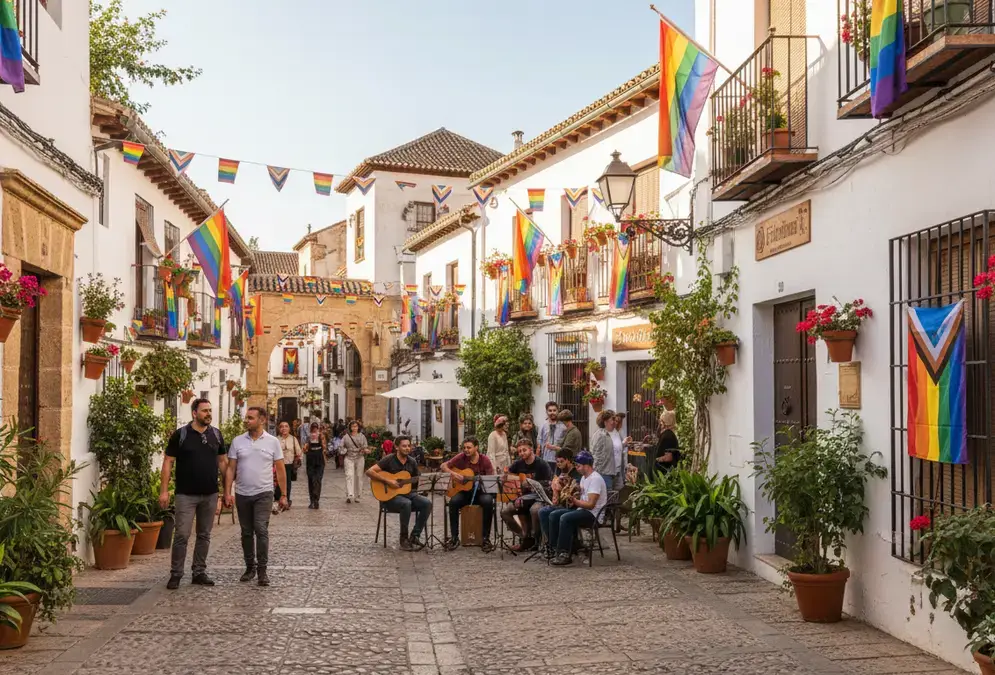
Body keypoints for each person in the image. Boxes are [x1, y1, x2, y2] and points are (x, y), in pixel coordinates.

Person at [160, 399, 228, 590]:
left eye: (210, 410)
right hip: (185, 495)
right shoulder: (181, 435)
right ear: (194, 413)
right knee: (182, 534)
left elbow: (223, 462)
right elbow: (168, 462)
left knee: (204, 535)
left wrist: (227, 491)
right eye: (204, 410)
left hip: (210, 494)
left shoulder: (216, 435)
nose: (209, 413)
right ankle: (176, 573)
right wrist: (164, 491)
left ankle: (199, 572)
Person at [224, 407, 287, 587]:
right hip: (242, 493)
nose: (247, 420)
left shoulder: (272, 442)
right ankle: (250, 567)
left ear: (262, 420)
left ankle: (262, 570)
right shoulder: (237, 441)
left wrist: (283, 495)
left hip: (264, 493)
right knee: (246, 532)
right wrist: (227, 492)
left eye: (251, 418)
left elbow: (280, 469)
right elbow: (231, 468)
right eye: (247, 417)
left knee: (261, 529)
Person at [540, 451, 607, 566]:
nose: (576, 468)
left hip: (593, 514)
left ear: (586, 466)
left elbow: (591, 504)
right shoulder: (584, 478)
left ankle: (565, 553)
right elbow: (582, 496)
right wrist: (572, 494)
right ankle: (554, 548)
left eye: (578, 465)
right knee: (553, 515)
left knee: (565, 518)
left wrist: (575, 501)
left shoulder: (595, 479)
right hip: (583, 510)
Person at [366, 435, 432, 551]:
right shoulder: (389, 459)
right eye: (404, 446)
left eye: (409, 446)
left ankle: (415, 536)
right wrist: (388, 481)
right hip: (390, 498)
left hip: (408, 494)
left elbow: (417, 480)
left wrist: (426, 484)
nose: (407, 448)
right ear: (396, 447)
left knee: (427, 503)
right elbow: (369, 471)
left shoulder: (412, 462)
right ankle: (403, 539)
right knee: (406, 503)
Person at [441, 436, 496, 552]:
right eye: (464, 447)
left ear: (476, 447)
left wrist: (480, 481)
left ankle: (485, 538)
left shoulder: (484, 460)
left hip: (481, 492)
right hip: (465, 492)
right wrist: (453, 474)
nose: (466, 450)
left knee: (488, 502)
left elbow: (490, 480)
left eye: (469, 447)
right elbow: (443, 466)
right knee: (453, 502)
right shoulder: (461, 457)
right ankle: (454, 538)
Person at [499, 438, 552, 552]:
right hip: (522, 497)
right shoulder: (518, 464)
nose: (522, 453)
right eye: (519, 451)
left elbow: (548, 485)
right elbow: (509, 476)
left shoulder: (542, 464)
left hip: (538, 498)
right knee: (505, 512)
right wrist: (505, 477)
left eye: (524, 450)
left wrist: (531, 484)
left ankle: (536, 540)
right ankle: (524, 537)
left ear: (531, 449)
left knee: (535, 510)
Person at [341, 420, 368, 503]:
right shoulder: (346, 437)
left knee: (359, 476)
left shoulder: (362, 436)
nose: (354, 428)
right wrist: (344, 450)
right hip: (349, 457)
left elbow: (365, 446)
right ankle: (350, 494)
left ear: (358, 427)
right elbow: (341, 447)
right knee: (349, 475)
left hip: (359, 458)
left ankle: (358, 495)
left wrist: (365, 450)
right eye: (353, 426)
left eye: (356, 426)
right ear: (350, 427)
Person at [276, 421, 302, 509]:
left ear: (289, 429)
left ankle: (286, 501)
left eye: (286, 426)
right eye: (281, 426)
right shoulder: (275, 440)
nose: (284, 428)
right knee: (277, 484)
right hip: (278, 465)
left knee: (287, 484)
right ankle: (278, 500)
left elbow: (298, 452)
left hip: (289, 464)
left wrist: (298, 459)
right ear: (279, 429)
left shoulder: (293, 439)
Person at [649, 410, 682, 477]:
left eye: (661, 421)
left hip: (663, 474)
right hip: (664, 472)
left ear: (665, 422)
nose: (660, 423)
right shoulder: (668, 434)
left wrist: (656, 460)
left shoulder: (668, 436)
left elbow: (669, 457)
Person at [305, 425, 327, 508]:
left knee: (318, 479)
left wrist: (321, 438)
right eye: (313, 429)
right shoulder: (308, 437)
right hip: (310, 459)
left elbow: (325, 448)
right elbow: (305, 449)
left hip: (319, 459)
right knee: (311, 480)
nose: (314, 430)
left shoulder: (321, 436)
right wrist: (306, 446)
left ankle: (316, 499)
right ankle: (312, 501)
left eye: (316, 428)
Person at [537, 401, 564, 468]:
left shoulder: (563, 426)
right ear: (546, 412)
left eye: (554, 410)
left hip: (560, 460)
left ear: (558, 411)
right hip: (545, 459)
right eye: (550, 410)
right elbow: (539, 442)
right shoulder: (543, 425)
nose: (552, 412)